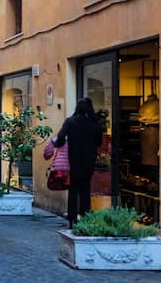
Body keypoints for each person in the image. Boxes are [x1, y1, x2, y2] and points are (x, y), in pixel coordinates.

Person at [54, 97, 103, 229]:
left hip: (73, 160)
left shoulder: (70, 122)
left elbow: (60, 138)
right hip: (89, 160)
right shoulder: (95, 123)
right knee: (85, 190)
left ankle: (72, 219)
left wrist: (59, 144)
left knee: (73, 190)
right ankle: (85, 217)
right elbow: (99, 141)